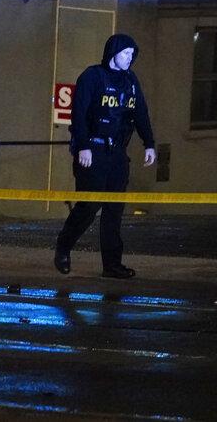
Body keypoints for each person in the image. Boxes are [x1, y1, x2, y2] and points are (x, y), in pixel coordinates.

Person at [54, 33, 156, 280]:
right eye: (125, 54)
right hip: (93, 151)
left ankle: (112, 265)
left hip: (117, 154)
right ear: (113, 54)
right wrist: (84, 147)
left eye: (132, 55)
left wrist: (149, 144)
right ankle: (63, 248)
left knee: (114, 210)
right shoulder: (92, 77)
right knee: (89, 206)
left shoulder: (131, 81)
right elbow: (78, 114)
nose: (129, 59)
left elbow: (140, 113)